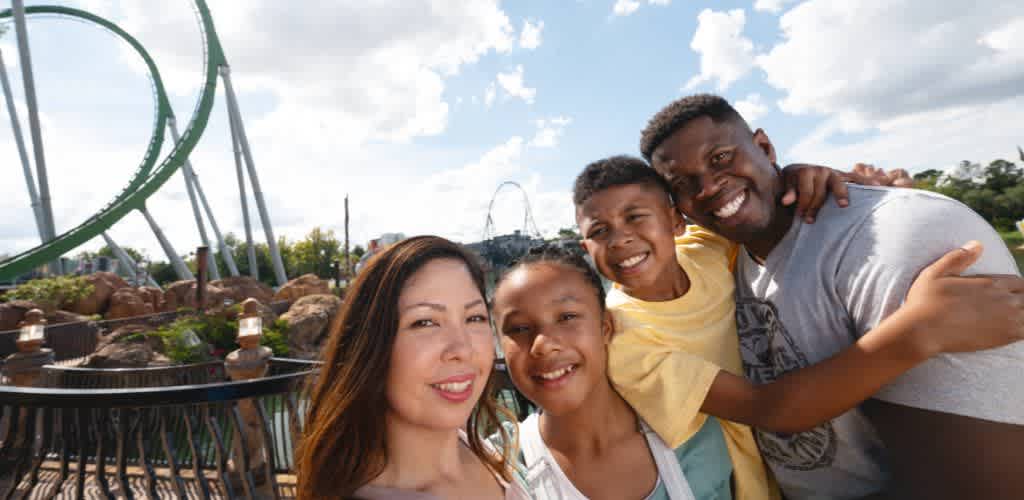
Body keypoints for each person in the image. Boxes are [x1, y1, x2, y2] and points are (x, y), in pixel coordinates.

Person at [568, 156, 1024, 499]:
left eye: (634, 217)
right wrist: (922, 329)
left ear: (674, 220)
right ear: (584, 244)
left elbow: (746, 208)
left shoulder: (701, 250)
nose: (621, 238)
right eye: (600, 230)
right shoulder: (626, 341)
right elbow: (773, 410)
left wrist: (807, 178)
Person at [492, 242, 1023, 500]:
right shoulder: (499, 473)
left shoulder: (694, 439)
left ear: (607, 327)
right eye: (516, 329)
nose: (544, 344)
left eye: (567, 318)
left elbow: (738, 228)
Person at [295, 236, 528, 499]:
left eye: (474, 318)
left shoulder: (480, 450)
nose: (462, 349)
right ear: (371, 346)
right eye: (425, 323)